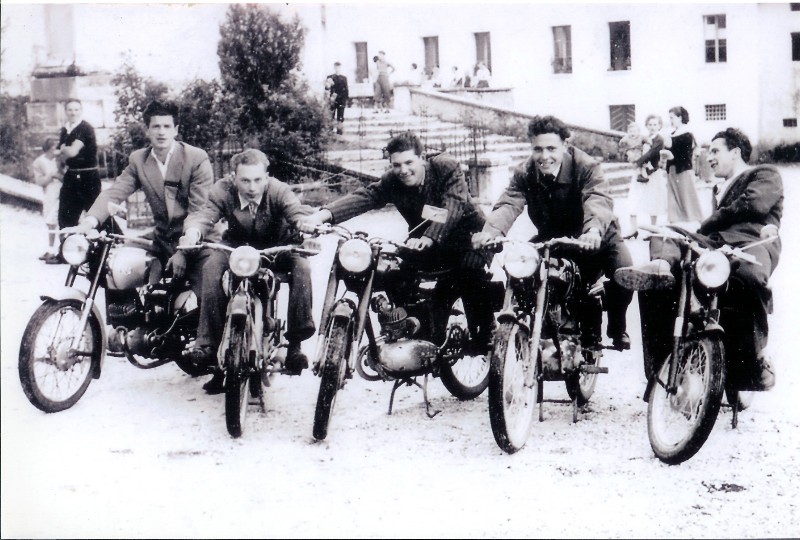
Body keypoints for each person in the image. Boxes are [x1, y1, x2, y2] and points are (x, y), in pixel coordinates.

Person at [300, 131, 496, 356]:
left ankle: (485, 331)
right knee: (394, 268)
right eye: (396, 164)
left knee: (468, 271)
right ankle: (408, 323)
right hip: (428, 243)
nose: (403, 170)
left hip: (471, 239)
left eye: (409, 162)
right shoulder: (394, 181)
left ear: (423, 158)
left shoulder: (446, 167)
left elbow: (452, 204)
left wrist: (429, 237)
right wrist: (322, 215)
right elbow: (365, 196)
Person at [615, 128, 782, 389]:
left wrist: (704, 225)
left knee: (748, 279)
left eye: (715, 151)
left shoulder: (764, 174)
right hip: (715, 243)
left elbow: (755, 205)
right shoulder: (719, 187)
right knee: (666, 237)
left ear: (736, 152)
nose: (709, 158)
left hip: (751, 243)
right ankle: (663, 365)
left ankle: (756, 358)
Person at [62, 100, 217, 378]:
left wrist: (184, 251)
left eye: (166, 126)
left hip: (198, 240)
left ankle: (214, 354)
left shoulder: (196, 158)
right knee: (114, 259)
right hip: (162, 239)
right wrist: (88, 222)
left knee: (211, 286)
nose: (161, 132)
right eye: (155, 126)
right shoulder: (139, 160)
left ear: (176, 129)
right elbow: (114, 192)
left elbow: (199, 211)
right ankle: (124, 326)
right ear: (147, 130)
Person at [472, 115, 634, 351]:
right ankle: (533, 324)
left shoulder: (585, 166)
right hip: (554, 237)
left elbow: (597, 197)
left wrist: (592, 229)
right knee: (520, 268)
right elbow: (509, 202)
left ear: (565, 146)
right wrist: (491, 231)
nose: (544, 156)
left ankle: (617, 326)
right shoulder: (525, 171)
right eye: (538, 149)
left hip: (596, 236)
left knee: (625, 274)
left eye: (551, 148)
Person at [181, 149, 316, 392]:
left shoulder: (278, 190)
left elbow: (295, 212)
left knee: (302, 267)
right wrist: (193, 231)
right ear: (233, 177)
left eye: (257, 180)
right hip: (238, 248)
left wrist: (303, 225)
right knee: (211, 266)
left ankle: (295, 345)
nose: (252, 187)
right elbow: (204, 214)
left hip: (278, 248)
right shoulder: (223, 190)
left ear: (267, 177)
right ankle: (207, 346)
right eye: (245, 180)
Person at [57, 99, 101, 231]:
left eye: (76, 109)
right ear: (65, 111)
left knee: (97, 214)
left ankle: (115, 245)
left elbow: (71, 152)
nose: (73, 113)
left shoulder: (85, 128)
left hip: (88, 176)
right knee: (65, 216)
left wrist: (64, 149)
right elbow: (59, 153)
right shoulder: (65, 129)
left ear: (81, 111)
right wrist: (63, 150)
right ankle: (66, 250)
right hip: (71, 175)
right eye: (70, 110)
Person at [623, 117, 668, 231]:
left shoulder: (659, 139)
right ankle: (633, 229)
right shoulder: (642, 138)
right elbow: (631, 147)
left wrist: (637, 162)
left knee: (653, 201)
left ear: (659, 126)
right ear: (647, 126)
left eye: (655, 124)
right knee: (634, 198)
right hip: (640, 172)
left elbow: (651, 153)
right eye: (650, 125)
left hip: (653, 173)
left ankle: (652, 228)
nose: (652, 127)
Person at [665, 106, 704, 223]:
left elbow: (681, 152)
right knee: (673, 198)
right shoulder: (673, 133)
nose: (670, 120)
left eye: (672, 118)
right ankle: (676, 222)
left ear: (680, 117)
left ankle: (694, 221)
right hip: (672, 169)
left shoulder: (686, 133)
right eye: (669, 118)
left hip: (682, 169)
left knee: (686, 197)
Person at [32, 138, 63, 263]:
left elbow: (66, 176)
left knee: (56, 221)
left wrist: (59, 176)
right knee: (50, 222)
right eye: (53, 148)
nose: (55, 151)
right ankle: (51, 249)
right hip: (49, 193)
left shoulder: (60, 160)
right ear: (48, 149)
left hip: (61, 193)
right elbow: (40, 181)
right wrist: (51, 176)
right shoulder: (39, 162)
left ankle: (59, 250)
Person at [326, 62, 349, 134]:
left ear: (340, 68)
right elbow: (326, 88)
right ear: (334, 68)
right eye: (336, 67)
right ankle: (330, 131)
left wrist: (346, 99)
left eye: (338, 67)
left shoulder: (344, 78)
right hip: (333, 99)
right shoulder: (330, 77)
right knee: (331, 115)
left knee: (340, 116)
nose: (337, 69)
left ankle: (339, 131)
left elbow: (346, 89)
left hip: (341, 99)